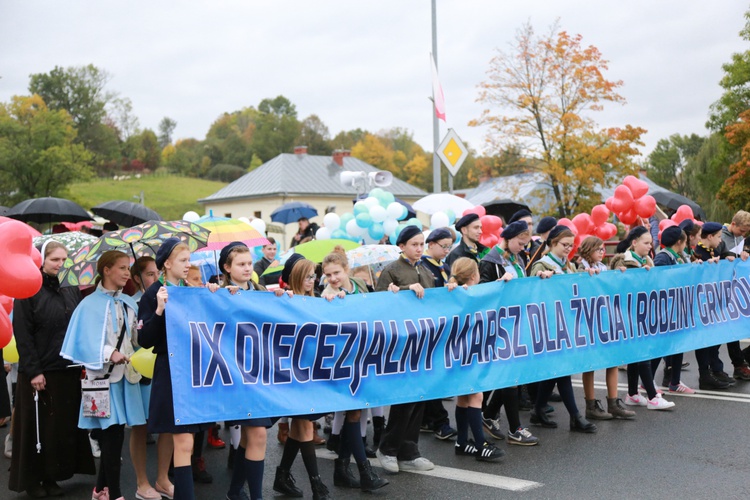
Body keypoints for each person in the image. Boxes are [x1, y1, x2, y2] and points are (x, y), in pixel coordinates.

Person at [9, 240, 95, 498]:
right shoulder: (27, 289)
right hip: (40, 372)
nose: (60, 264)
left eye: (63, 259)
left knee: (57, 429)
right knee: (35, 429)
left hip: (65, 368)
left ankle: (51, 476)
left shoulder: (69, 288)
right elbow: (22, 333)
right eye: (54, 259)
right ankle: (33, 481)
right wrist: (34, 370)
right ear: (41, 260)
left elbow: (76, 326)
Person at [137, 237, 220, 500]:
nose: (188, 266)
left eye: (189, 260)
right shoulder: (152, 294)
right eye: (183, 261)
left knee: (190, 439)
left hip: (194, 369)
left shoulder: (190, 290)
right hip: (170, 369)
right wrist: (159, 311)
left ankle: (171, 485)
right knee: (183, 439)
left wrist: (215, 295)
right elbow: (144, 340)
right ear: (167, 264)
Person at [61, 250, 148, 500]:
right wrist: (110, 352)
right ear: (106, 270)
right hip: (102, 380)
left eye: (128, 268)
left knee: (115, 434)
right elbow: (82, 342)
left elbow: (135, 340)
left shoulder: (129, 302)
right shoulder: (89, 304)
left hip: (126, 379)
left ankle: (100, 491)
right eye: (121, 268)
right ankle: (116, 494)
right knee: (112, 435)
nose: (126, 273)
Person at [320, 246, 389, 493]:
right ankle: (364, 471)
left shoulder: (360, 284)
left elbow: (373, 308)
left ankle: (342, 469)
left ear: (346, 269)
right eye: (328, 275)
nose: (333, 279)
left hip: (362, 355)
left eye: (336, 273)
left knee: (356, 413)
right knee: (353, 413)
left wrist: (390, 292)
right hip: (343, 361)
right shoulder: (327, 294)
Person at [218, 242, 281, 500]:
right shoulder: (220, 293)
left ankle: (234, 491)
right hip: (236, 375)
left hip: (260, 374)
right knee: (257, 435)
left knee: (248, 437)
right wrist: (220, 296)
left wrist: (281, 301)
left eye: (248, 263)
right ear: (227, 267)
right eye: (241, 264)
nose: (247, 268)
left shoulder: (260, 289)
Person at [375, 225, 436, 474]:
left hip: (424, 342)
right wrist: (401, 291)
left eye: (421, 244)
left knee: (420, 397)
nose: (419, 248)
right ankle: (387, 449)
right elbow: (378, 303)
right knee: (404, 399)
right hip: (401, 344)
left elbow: (436, 300)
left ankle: (410, 451)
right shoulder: (391, 270)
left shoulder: (426, 269)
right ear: (402, 246)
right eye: (414, 244)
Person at [273, 253, 331, 500]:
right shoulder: (286, 300)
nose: (313, 280)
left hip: (311, 373)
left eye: (314, 275)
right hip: (294, 374)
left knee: (300, 426)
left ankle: (282, 475)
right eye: (308, 276)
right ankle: (317, 486)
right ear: (297, 277)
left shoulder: (316, 300)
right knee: (305, 426)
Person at [529, 226, 597, 432]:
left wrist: (588, 276)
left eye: (570, 245)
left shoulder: (568, 265)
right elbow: (531, 294)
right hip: (548, 326)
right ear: (552, 244)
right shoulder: (541, 265)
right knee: (562, 371)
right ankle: (575, 417)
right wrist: (540, 279)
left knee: (555, 372)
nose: (568, 249)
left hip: (566, 324)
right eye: (564, 245)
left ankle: (538, 409)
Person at [478, 221, 541, 444]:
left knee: (510, 376)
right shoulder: (489, 261)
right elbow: (482, 292)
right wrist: (498, 283)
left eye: (526, 244)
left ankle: (486, 415)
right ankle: (515, 429)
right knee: (510, 376)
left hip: (517, 322)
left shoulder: (518, 258)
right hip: (499, 326)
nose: (523, 248)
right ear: (508, 238)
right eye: (520, 243)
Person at [611, 226, 676, 411]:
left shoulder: (647, 261)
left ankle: (632, 393)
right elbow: (619, 289)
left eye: (650, 243)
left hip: (644, 314)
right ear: (634, 242)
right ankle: (653, 397)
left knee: (636, 356)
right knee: (643, 354)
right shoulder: (623, 261)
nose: (650, 246)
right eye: (646, 243)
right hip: (629, 315)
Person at [449, 257, 506, 461]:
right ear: (475, 276)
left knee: (464, 397)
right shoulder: (467, 294)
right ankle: (481, 445)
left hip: (458, 353)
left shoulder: (453, 292)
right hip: (465, 353)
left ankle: (462, 442)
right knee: (476, 396)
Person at [576, 236, 636, 420]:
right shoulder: (581, 268)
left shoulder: (603, 267)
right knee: (591, 364)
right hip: (589, 321)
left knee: (613, 360)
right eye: (599, 249)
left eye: (603, 249)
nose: (602, 252)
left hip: (606, 319)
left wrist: (618, 273)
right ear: (588, 250)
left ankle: (613, 401)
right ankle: (591, 404)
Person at [128, 256, 169, 500]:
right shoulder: (132, 302)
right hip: (138, 370)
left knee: (167, 424)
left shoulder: (164, 293)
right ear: (137, 277)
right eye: (150, 274)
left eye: (157, 273)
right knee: (140, 426)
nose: (155, 279)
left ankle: (163, 479)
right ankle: (141, 482)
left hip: (161, 367)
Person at [419, 227, 459, 441]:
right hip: (427, 327)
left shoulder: (443, 266)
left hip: (441, 326)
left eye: (449, 247)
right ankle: (439, 422)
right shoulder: (424, 266)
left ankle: (427, 419)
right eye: (443, 246)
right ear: (431, 244)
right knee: (430, 375)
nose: (446, 250)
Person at [693, 222, 737, 390]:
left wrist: (728, 256)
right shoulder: (698, 252)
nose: (721, 240)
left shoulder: (715, 249)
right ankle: (705, 374)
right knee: (704, 340)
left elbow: (724, 252)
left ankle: (715, 369)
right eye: (719, 236)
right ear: (710, 237)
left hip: (714, 302)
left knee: (715, 338)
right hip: (701, 304)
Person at [651, 227, 695, 394]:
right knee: (661, 346)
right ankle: (648, 382)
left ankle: (674, 382)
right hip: (666, 310)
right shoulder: (663, 258)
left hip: (677, 309)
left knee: (677, 345)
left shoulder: (678, 257)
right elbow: (660, 281)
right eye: (685, 242)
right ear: (679, 242)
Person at [718, 211, 750, 381]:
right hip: (720, 290)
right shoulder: (721, 236)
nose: (743, 235)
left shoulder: (738, 237)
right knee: (720, 332)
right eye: (742, 231)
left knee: (734, 329)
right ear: (733, 224)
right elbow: (723, 257)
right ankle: (718, 368)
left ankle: (739, 363)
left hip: (734, 288)